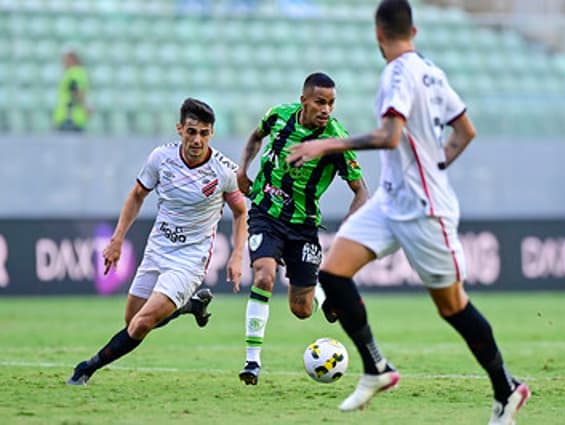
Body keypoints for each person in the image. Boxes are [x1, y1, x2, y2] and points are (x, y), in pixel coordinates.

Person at [286, 1, 530, 424]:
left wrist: (323, 145)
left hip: (423, 210)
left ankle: (505, 389)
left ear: (379, 34)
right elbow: (465, 131)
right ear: (413, 31)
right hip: (391, 199)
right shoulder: (432, 72)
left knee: (453, 306)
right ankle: (377, 367)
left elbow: (389, 135)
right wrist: (435, 167)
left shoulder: (397, 74)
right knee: (333, 273)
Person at [67, 98, 248, 385]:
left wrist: (238, 255)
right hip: (158, 247)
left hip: (190, 258)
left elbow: (240, 211)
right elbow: (137, 195)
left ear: (211, 133)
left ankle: (87, 368)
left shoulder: (224, 171)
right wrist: (116, 241)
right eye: (191, 132)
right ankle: (190, 306)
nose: (197, 139)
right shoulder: (160, 158)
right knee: (132, 320)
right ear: (180, 129)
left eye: (203, 133)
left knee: (141, 325)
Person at [236, 72, 369, 385]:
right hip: (265, 212)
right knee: (264, 275)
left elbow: (361, 191)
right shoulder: (278, 116)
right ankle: (252, 362)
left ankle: (324, 295)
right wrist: (243, 170)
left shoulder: (336, 139)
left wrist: (347, 235)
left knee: (301, 309)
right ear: (304, 101)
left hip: (304, 225)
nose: (326, 109)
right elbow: (256, 136)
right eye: (320, 102)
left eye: (331, 103)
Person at [53, 50, 90, 132]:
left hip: (70, 118)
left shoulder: (75, 72)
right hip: (69, 117)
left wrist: (86, 107)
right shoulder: (72, 72)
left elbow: (77, 91)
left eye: (65, 60)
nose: (63, 62)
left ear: (72, 60)